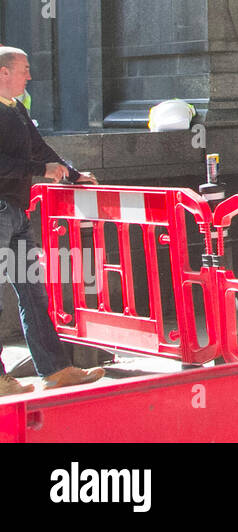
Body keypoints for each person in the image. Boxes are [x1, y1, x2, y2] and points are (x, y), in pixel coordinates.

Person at [0, 47, 106, 396]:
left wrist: (71, 175)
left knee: (32, 293)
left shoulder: (15, 108)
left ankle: (56, 370)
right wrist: (39, 171)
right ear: (3, 72)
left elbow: (39, 148)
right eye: (24, 69)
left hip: (17, 212)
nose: (29, 76)